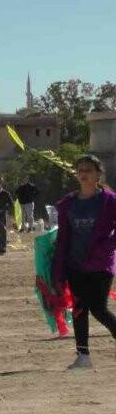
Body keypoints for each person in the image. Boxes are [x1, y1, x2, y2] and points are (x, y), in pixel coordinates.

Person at [52, 155, 116, 370]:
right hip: (74, 264)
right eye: (80, 170)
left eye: (89, 170)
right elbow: (62, 238)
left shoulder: (109, 201)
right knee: (79, 309)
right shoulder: (68, 203)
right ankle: (83, 356)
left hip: (100, 264)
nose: (83, 174)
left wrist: (107, 245)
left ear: (98, 174)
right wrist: (57, 269)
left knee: (99, 309)